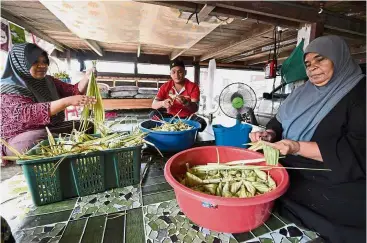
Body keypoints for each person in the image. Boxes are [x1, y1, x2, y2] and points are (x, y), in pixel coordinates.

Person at [250, 36, 366, 243]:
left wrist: (296, 147)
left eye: (321, 60)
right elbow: (278, 121)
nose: (312, 68)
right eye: (308, 64)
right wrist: (270, 134)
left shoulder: (360, 94)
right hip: (290, 163)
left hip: (329, 174)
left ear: (339, 59)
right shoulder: (302, 91)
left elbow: (358, 150)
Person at [0, 43, 96, 166]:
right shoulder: (9, 87)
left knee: (86, 125)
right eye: (35, 62)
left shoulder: (48, 81)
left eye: (45, 62)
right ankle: (61, 144)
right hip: (18, 138)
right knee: (36, 140)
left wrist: (87, 77)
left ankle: (61, 144)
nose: (42, 66)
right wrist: (67, 102)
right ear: (20, 62)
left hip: (50, 129)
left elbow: (73, 91)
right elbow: (27, 114)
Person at [150, 59, 207, 132]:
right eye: (173, 72)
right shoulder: (165, 86)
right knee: (153, 114)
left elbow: (195, 108)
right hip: (170, 117)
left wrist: (187, 103)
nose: (176, 75)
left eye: (180, 71)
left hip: (188, 118)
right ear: (170, 73)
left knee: (202, 123)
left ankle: (170, 127)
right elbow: (153, 105)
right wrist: (163, 103)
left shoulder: (193, 86)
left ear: (185, 72)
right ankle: (180, 128)